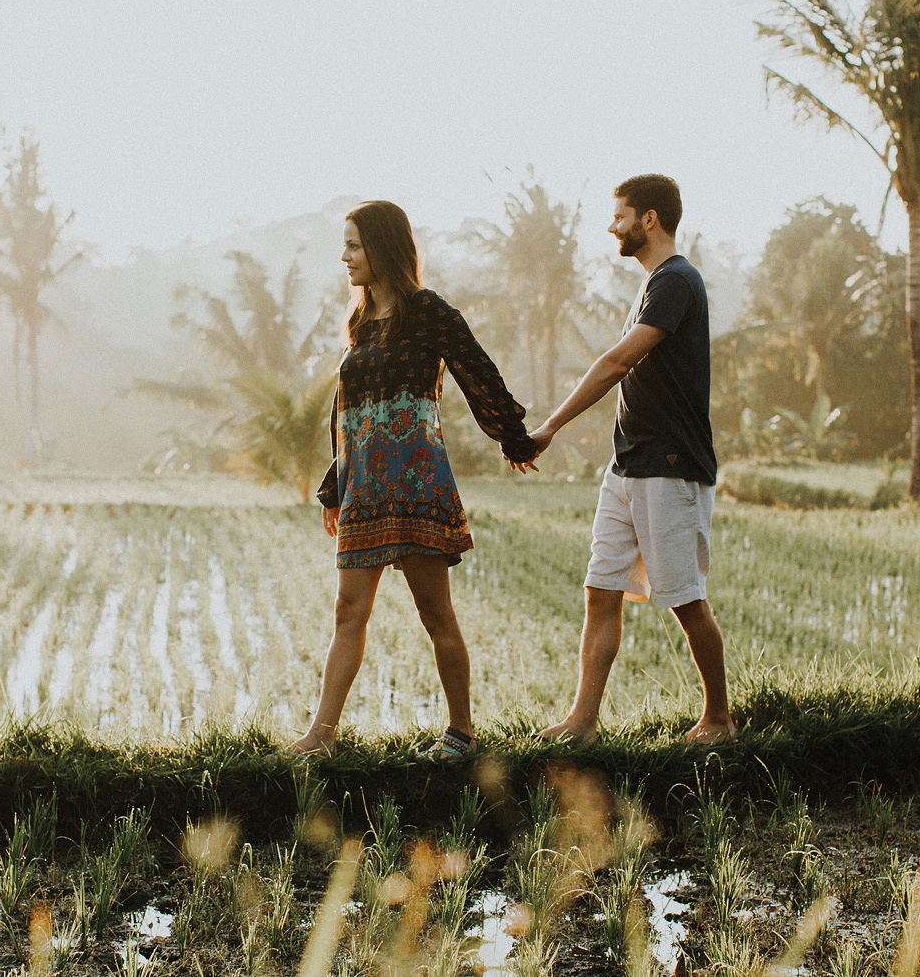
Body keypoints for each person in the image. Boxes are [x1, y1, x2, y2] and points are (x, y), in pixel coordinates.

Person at [289, 200, 539, 760]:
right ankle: (321, 735)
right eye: (345, 245)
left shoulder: (427, 311)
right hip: (365, 487)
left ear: (383, 247)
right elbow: (346, 411)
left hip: (417, 483)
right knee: (348, 611)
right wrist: (334, 486)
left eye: (354, 245)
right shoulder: (358, 322)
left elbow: (478, 371)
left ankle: (461, 733)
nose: (345, 256)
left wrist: (514, 437)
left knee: (435, 613)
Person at [530, 174, 732, 746]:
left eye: (619, 216)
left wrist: (550, 427)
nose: (611, 226)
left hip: (670, 466)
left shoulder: (676, 281)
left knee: (686, 600)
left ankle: (719, 719)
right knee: (601, 591)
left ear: (649, 219)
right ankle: (583, 721)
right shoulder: (653, 284)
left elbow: (618, 363)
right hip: (627, 467)